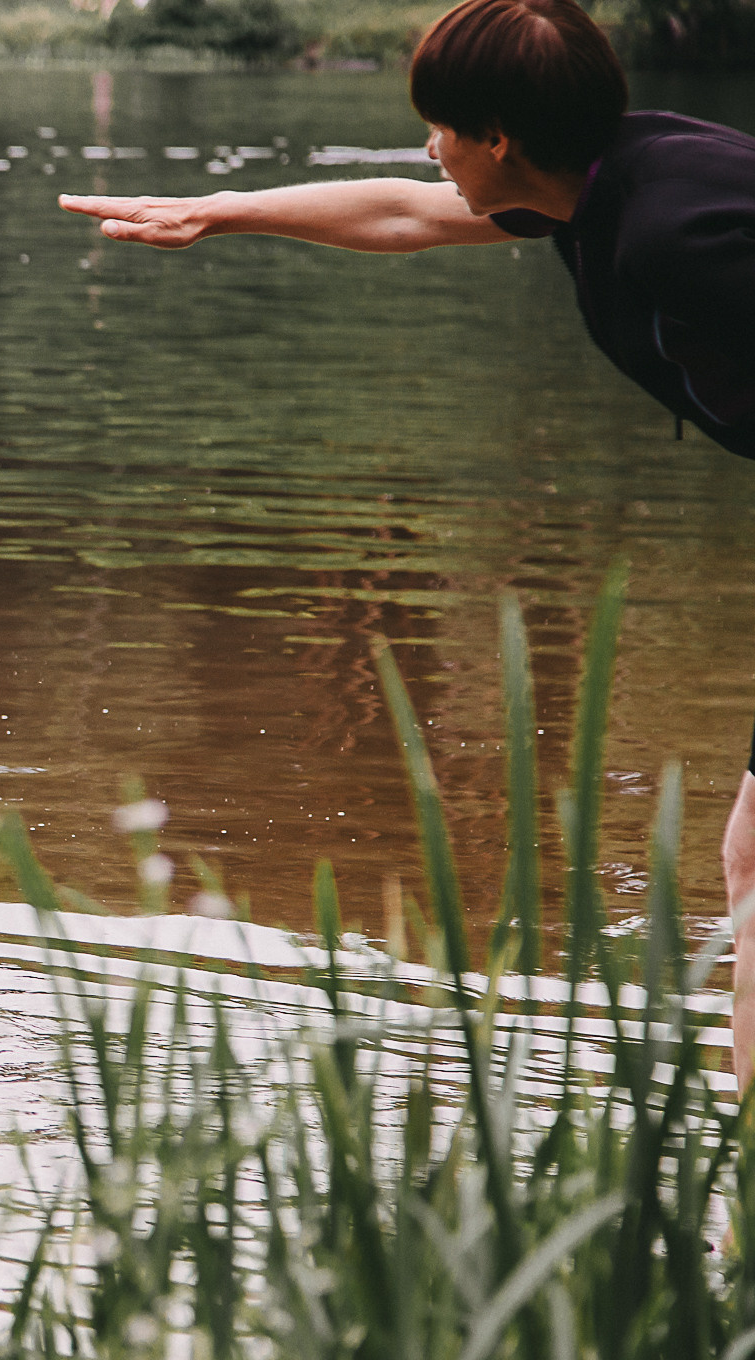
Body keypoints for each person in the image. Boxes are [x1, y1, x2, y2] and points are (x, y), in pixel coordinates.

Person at [57, 0, 755, 1081]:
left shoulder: (674, 234)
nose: (429, 149)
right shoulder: (604, 183)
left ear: (498, 139)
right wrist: (219, 212)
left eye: (438, 126)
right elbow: (405, 215)